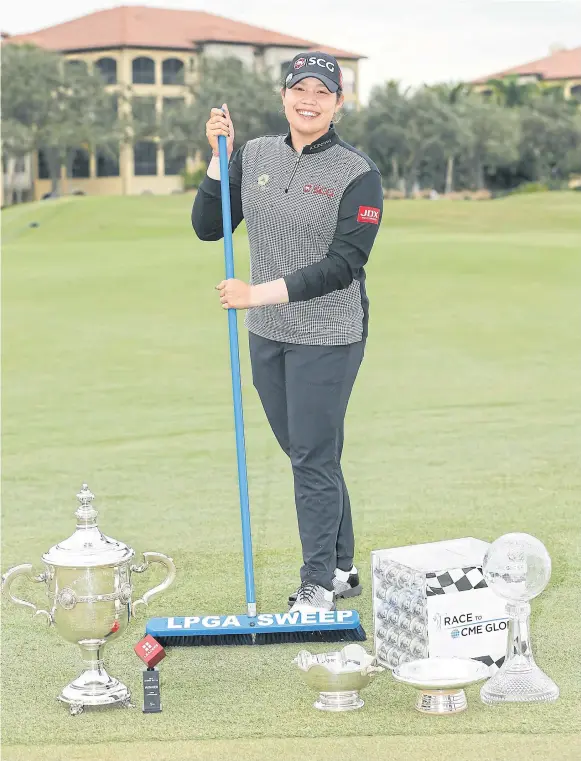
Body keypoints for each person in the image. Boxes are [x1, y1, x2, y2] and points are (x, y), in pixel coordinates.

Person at [192, 52, 383, 613]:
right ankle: (344, 567)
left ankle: (318, 584)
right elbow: (209, 227)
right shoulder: (255, 155)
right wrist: (216, 160)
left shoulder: (358, 173)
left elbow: (342, 265)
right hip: (268, 332)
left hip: (329, 332)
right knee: (308, 452)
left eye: (322, 92)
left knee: (312, 457)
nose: (309, 100)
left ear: (338, 103)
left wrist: (257, 293)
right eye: (300, 89)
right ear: (283, 96)